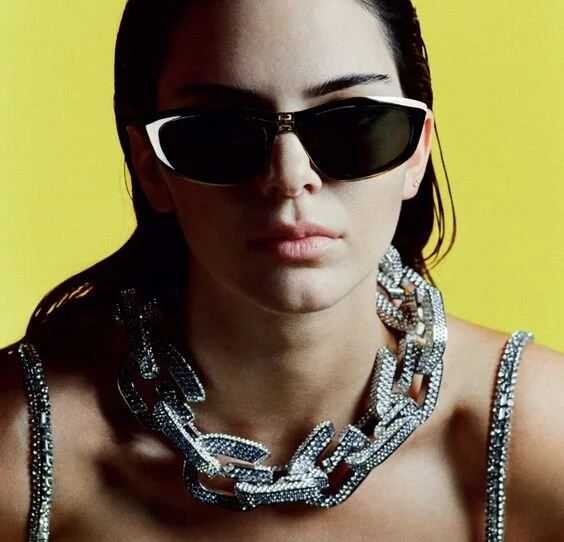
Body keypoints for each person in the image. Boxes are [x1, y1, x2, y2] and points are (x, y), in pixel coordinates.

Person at [1, 0, 563, 540]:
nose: (289, 178)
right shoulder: (22, 449)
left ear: (416, 151)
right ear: (150, 166)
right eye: (221, 131)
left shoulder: (538, 437)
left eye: (350, 123)